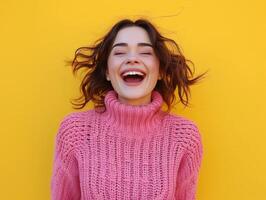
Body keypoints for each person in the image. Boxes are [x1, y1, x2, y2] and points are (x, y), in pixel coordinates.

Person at [50, 18, 207, 200]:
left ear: (161, 71)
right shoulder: (75, 132)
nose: (132, 59)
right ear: (108, 71)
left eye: (145, 52)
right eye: (120, 52)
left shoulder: (184, 136)